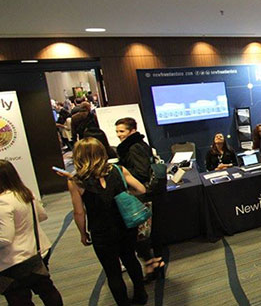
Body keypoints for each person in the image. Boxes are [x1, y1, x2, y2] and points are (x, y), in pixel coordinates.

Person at [65, 137, 149, 305]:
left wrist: (83, 233)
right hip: (126, 225)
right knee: (131, 260)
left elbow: (79, 213)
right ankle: (141, 295)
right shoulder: (119, 170)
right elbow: (141, 189)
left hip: (101, 231)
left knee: (113, 272)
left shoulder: (76, 182)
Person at [0, 160, 63, 306]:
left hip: (12, 262)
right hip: (35, 253)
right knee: (48, 291)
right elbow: (42, 216)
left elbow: (5, 239)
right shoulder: (25, 193)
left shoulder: (3, 202)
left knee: (19, 299)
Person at [114, 118, 164, 282]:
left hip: (140, 195)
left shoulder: (133, 147)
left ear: (132, 130)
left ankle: (152, 264)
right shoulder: (139, 144)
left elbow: (141, 172)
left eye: (122, 131)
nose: (119, 135)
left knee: (141, 233)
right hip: (144, 194)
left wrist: (126, 175)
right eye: (117, 131)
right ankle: (155, 262)